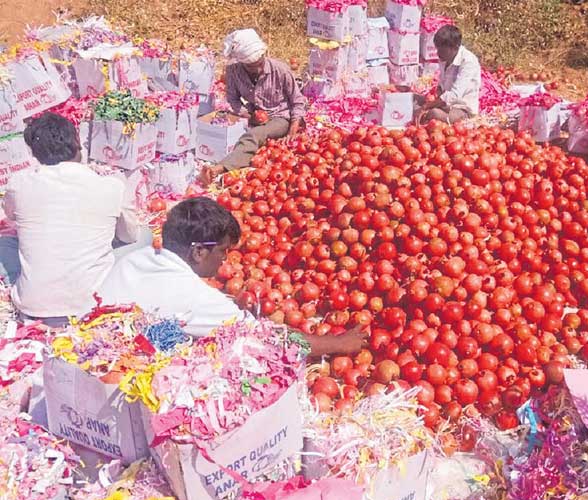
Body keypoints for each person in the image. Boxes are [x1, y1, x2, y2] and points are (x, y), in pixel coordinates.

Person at [97, 197, 365, 357]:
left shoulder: (133, 260)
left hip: (93, 358)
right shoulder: (197, 298)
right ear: (199, 252)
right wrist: (338, 343)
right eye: (223, 251)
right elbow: (269, 340)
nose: (225, 260)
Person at [2, 113, 141, 326]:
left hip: (34, 306)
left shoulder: (19, 183)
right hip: (91, 304)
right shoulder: (112, 185)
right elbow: (129, 236)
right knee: (144, 238)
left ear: (35, 154)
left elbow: (11, 218)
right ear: (78, 144)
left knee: (6, 244)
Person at [202, 29, 307, 184]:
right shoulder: (233, 71)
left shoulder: (280, 70)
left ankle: (219, 169)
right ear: (242, 63)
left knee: (253, 135)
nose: (258, 69)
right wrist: (248, 115)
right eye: (251, 66)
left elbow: (297, 101)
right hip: (254, 115)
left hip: (280, 116)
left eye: (260, 63)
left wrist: (292, 131)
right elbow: (233, 99)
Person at [415, 24, 481, 124]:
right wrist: (437, 94)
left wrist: (427, 106)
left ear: (455, 47)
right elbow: (442, 85)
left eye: (442, 50)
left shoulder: (468, 62)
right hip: (445, 105)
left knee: (434, 114)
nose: (438, 53)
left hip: (461, 109)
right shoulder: (444, 58)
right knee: (413, 98)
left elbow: (455, 95)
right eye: (437, 49)